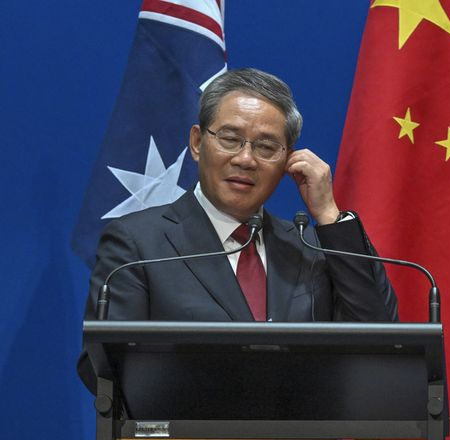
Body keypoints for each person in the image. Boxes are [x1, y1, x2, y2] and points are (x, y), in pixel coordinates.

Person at [79, 68, 398, 390]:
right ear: (197, 143)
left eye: (266, 147)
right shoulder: (138, 245)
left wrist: (329, 214)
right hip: (186, 438)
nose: (246, 159)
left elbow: (382, 342)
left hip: (301, 439)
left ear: (289, 160)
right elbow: (104, 369)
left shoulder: (309, 248)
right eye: (230, 140)